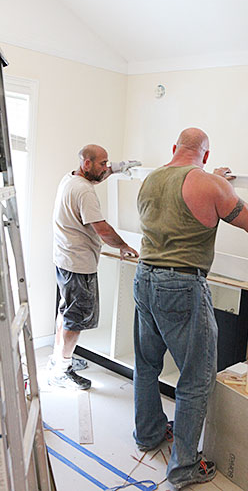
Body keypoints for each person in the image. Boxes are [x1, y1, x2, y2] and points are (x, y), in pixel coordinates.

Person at [132, 127, 248, 488]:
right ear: (206, 156)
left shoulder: (150, 180)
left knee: (147, 363)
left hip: (144, 277)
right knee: (196, 377)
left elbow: (180, 200)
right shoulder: (209, 185)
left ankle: (147, 435)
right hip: (181, 285)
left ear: (174, 148)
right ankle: (183, 468)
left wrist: (215, 183)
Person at [50, 145, 140, 390]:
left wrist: (119, 167)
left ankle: (59, 358)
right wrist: (122, 246)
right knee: (75, 320)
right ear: (86, 164)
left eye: (107, 162)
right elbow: (101, 228)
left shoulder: (70, 179)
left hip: (65, 260)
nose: (106, 167)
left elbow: (101, 175)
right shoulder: (84, 191)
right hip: (78, 264)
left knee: (66, 312)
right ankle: (62, 371)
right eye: (102, 163)